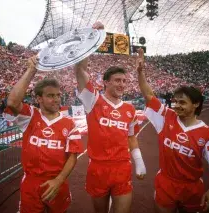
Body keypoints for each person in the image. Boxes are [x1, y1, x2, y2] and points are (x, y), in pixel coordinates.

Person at [136, 48, 209, 213]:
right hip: (166, 183)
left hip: (192, 188)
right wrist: (140, 72)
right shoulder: (167, 116)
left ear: (196, 104)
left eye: (182, 102)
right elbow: (149, 95)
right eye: (175, 102)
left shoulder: (208, 133)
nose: (177, 106)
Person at [74, 22, 147, 213]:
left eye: (124, 81)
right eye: (117, 80)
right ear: (105, 82)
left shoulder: (130, 109)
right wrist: (92, 35)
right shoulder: (93, 100)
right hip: (98, 168)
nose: (122, 84)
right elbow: (80, 70)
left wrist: (138, 160)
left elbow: (131, 136)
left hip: (122, 168)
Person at [3, 56, 83, 213]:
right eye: (50, 96)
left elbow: (73, 156)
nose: (56, 99)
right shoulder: (30, 116)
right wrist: (31, 70)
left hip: (57, 182)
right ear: (39, 98)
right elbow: (12, 102)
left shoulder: (69, 123)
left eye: (58, 95)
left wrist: (59, 180)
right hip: (31, 183)